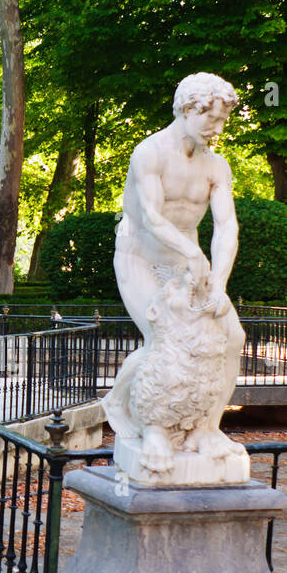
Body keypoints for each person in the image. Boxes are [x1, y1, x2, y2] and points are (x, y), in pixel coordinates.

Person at [104, 71, 246, 474]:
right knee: (164, 337)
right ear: (187, 110)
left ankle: (205, 427)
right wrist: (192, 254)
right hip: (141, 254)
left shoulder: (217, 166)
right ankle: (153, 427)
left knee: (232, 336)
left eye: (223, 121)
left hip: (188, 262)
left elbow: (226, 226)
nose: (218, 129)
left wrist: (218, 280)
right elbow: (149, 217)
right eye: (212, 120)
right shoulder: (149, 153)